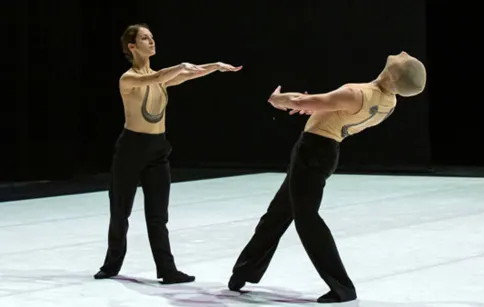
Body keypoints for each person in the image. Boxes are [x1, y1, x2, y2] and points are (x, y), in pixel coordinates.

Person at [227, 51, 426, 303]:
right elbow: (337, 109)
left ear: (394, 75)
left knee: (307, 220)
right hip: (323, 151)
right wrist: (316, 106)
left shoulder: (357, 94)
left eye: (404, 60)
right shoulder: (387, 102)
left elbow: (300, 102)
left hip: (313, 152)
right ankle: (244, 272)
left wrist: (278, 99)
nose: (402, 54)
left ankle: (342, 287)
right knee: (277, 215)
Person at [94, 23, 242, 284]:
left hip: (157, 149)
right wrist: (179, 67)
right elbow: (157, 77)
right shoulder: (129, 78)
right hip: (131, 148)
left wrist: (214, 66)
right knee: (120, 210)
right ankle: (111, 264)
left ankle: (167, 269)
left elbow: (186, 75)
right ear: (132, 46)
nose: (151, 42)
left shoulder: (161, 77)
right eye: (144, 38)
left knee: (158, 215)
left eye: (152, 37)